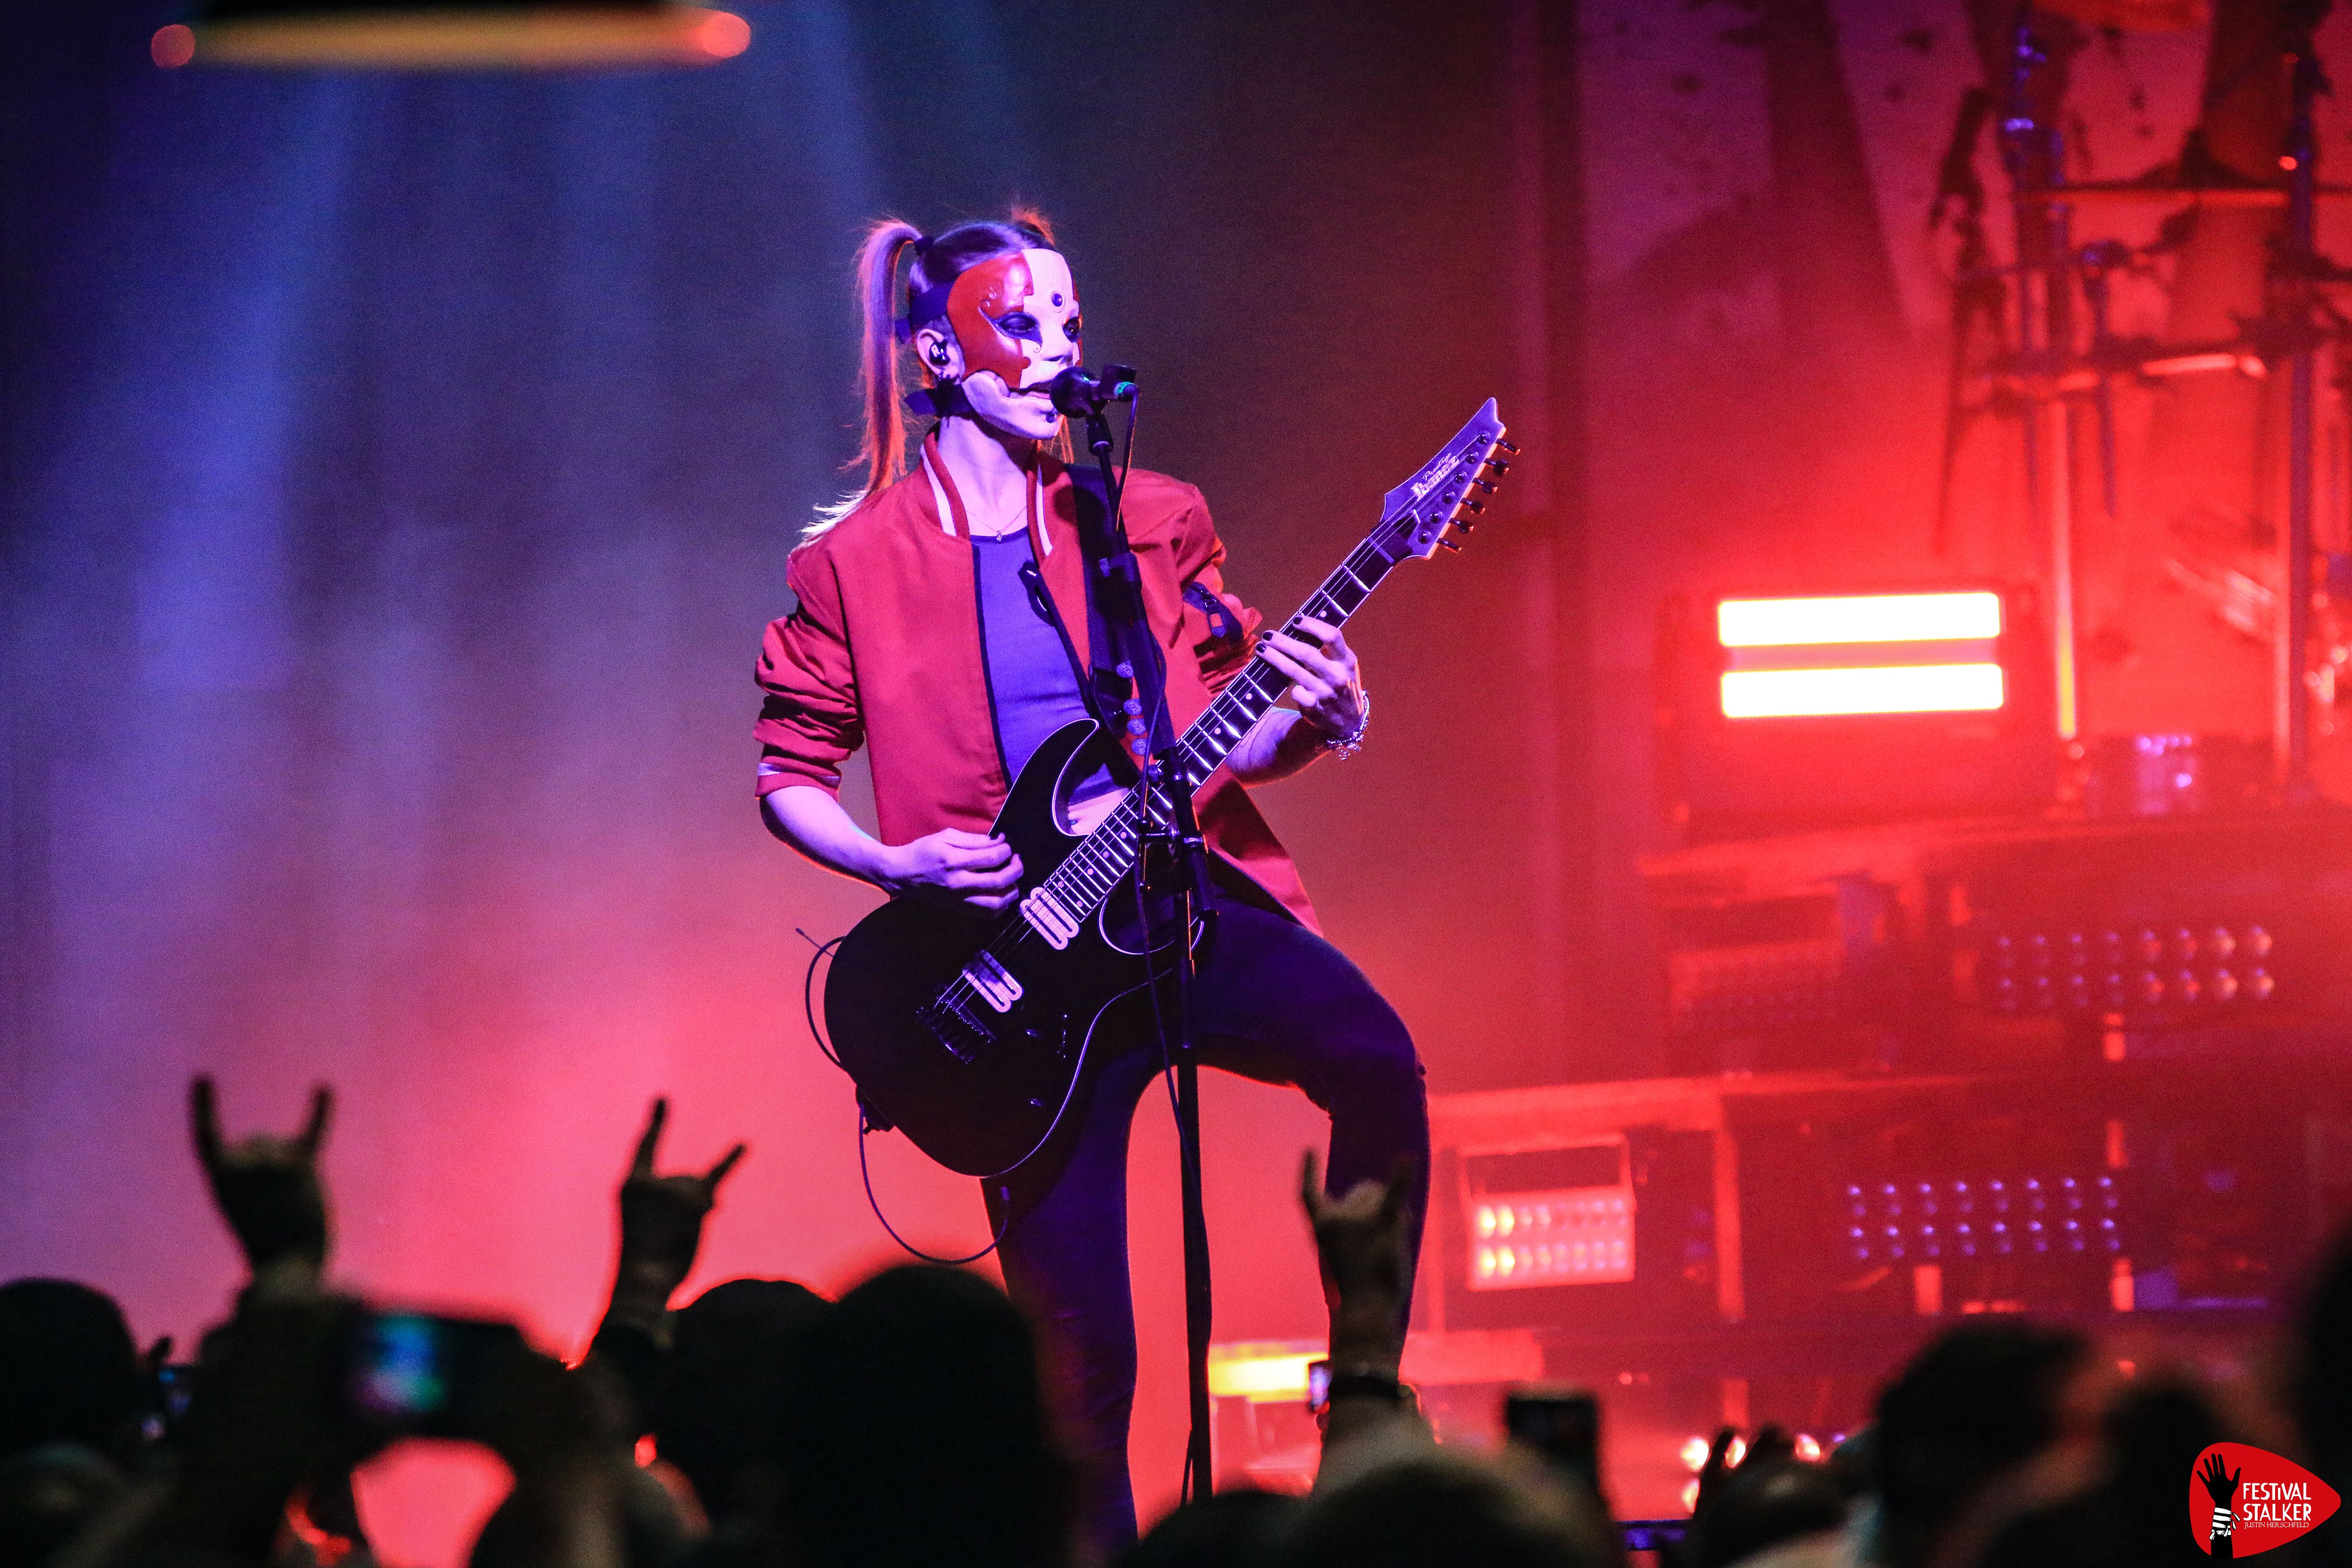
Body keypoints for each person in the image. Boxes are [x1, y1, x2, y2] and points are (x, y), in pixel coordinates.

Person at [753, 209, 1429, 1551]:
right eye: (1022, 322)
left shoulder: (1147, 519)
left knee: (1377, 1062)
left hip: (1178, 903)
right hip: (1020, 978)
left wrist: (1325, 716)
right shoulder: (853, 564)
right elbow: (788, 774)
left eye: (1069, 320)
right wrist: (892, 859)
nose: (1059, 347)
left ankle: (1360, 1396)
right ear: (940, 355)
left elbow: (1228, 729)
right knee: (1083, 1378)